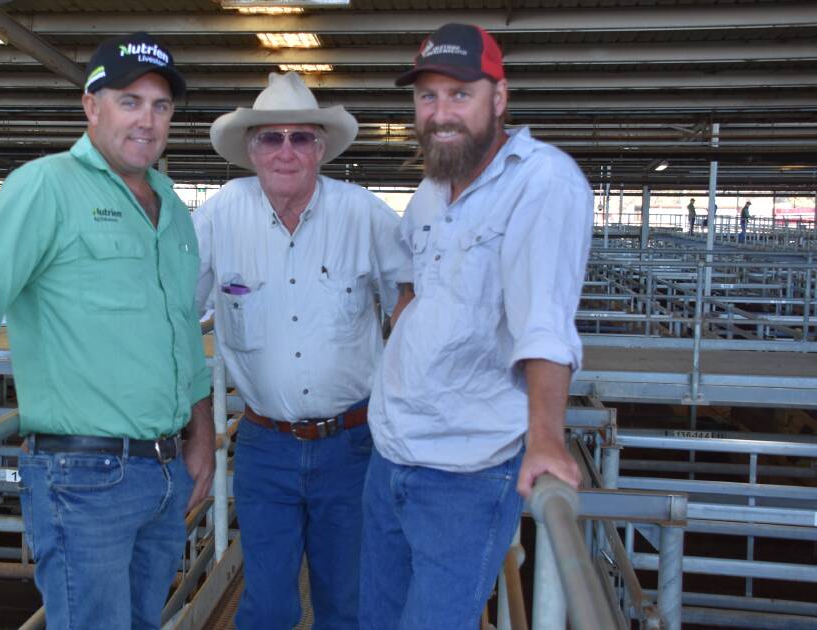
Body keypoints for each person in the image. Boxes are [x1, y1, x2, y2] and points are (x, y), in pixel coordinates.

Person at [0, 32, 214, 630]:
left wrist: (200, 436)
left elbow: (183, 334)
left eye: (161, 107)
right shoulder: (46, 186)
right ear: (91, 106)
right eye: (129, 101)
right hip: (84, 478)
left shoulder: (173, 208)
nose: (146, 121)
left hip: (163, 472)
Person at [361, 23, 591, 629]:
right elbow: (411, 283)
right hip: (390, 454)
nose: (440, 113)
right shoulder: (433, 189)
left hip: (465, 471)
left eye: (460, 94)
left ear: (500, 97)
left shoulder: (542, 182)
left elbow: (544, 321)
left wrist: (545, 436)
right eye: (427, 96)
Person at [194, 72, 408, 630]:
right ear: (251, 149)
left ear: (320, 148)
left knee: (348, 602)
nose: (285, 150)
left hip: (353, 443)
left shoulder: (363, 215)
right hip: (266, 444)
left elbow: (415, 300)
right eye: (271, 137)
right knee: (268, 606)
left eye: (300, 138)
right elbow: (171, 310)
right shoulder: (219, 217)